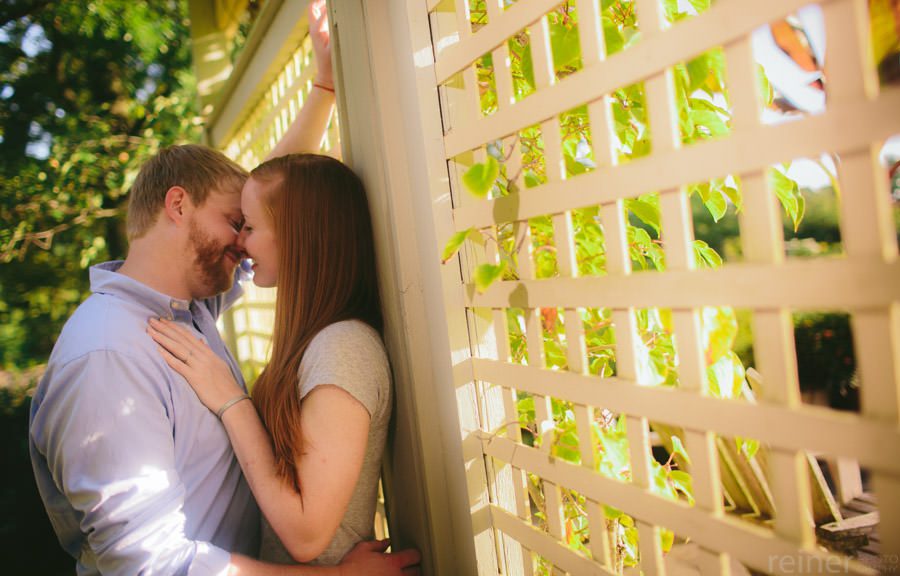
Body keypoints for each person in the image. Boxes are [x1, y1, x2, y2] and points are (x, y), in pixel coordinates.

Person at [28, 2, 419, 574]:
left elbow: (282, 215)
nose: (244, 241)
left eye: (250, 227)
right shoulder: (107, 356)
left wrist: (323, 89)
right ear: (178, 205)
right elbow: (151, 566)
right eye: (235, 224)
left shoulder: (188, 308)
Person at [147, 152, 389, 567]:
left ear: (298, 234)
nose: (240, 243)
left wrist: (231, 400)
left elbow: (306, 534)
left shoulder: (344, 347)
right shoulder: (317, 340)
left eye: (251, 227)